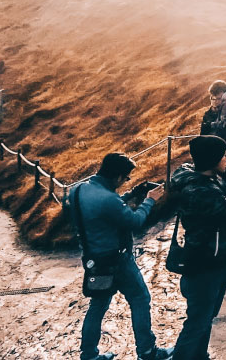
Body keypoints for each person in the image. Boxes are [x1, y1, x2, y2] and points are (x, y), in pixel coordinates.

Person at [67, 153, 172, 360]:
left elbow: (103, 210)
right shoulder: (108, 199)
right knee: (140, 299)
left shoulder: (78, 190)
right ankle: (147, 352)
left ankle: (88, 355)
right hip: (118, 261)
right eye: (126, 179)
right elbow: (134, 221)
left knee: (97, 306)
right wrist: (149, 200)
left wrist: (132, 194)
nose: (126, 182)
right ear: (117, 177)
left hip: (93, 260)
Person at [167, 136, 226, 360]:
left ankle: (199, 356)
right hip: (203, 266)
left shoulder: (209, 181)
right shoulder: (199, 190)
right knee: (197, 322)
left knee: (204, 318)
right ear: (212, 158)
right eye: (224, 154)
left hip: (214, 261)